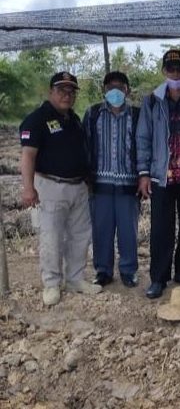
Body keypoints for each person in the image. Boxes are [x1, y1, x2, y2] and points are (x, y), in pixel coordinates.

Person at [19, 72, 102, 306]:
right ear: (50, 92)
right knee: (51, 236)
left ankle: (75, 278)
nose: (67, 95)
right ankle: (52, 283)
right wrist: (28, 188)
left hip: (78, 186)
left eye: (71, 91)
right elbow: (27, 156)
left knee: (80, 236)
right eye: (61, 90)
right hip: (50, 186)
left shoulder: (74, 119)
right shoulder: (37, 119)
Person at [136, 49, 180, 299]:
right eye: (171, 69)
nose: (175, 73)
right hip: (161, 176)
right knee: (161, 229)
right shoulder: (152, 101)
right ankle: (158, 278)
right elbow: (143, 137)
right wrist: (143, 173)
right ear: (164, 72)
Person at [84, 71, 141, 288]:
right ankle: (103, 270)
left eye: (120, 86)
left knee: (129, 231)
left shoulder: (137, 115)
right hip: (100, 184)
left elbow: (143, 145)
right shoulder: (93, 114)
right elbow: (84, 145)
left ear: (128, 90)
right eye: (110, 87)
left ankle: (128, 270)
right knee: (101, 229)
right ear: (104, 90)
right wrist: (86, 177)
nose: (115, 91)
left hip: (129, 184)